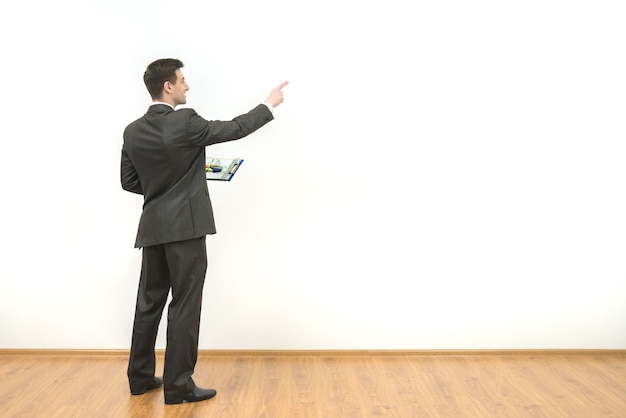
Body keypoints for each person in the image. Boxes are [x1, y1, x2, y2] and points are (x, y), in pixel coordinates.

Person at [121, 58, 288, 405]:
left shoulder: (132, 130)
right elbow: (235, 127)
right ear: (167, 86)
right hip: (185, 227)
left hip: (153, 229)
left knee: (148, 303)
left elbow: (129, 181)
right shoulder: (186, 121)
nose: (187, 86)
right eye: (182, 80)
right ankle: (178, 386)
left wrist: (166, 185)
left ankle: (139, 378)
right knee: (184, 305)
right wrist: (268, 105)